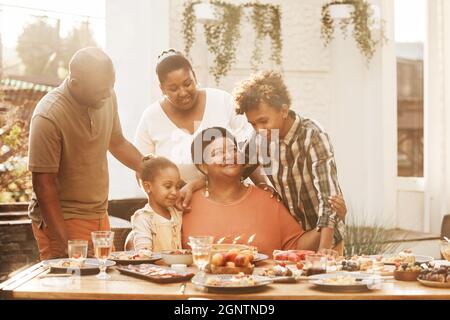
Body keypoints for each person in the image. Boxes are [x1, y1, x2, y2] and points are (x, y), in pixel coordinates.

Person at [28, 47, 143, 260]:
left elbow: (116, 142)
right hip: (63, 219)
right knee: (70, 289)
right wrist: (65, 243)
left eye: (111, 86)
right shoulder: (48, 116)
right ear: (74, 84)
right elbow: (44, 186)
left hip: (99, 214)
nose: (108, 94)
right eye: (101, 90)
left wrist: (150, 170)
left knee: (104, 285)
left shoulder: (106, 95)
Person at [134, 49, 270, 209]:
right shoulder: (151, 117)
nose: (183, 92)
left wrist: (265, 189)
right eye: (173, 88)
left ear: (195, 77)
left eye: (187, 83)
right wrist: (167, 205)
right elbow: (142, 172)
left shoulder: (222, 101)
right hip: (179, 209)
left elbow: (249, 152)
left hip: (232, 202)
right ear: (162, 88)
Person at [233, 70, 346, 254]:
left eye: (263, 121)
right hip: (294, 239)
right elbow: (233, 169)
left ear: (284, 110)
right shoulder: (258, 139)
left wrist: (323, 251)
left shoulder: (313, 136)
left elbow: (329, 200)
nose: (258, 129)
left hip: (326, 236)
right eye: (252, 124)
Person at [182, 127, 327, 257]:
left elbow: (297, 245)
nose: (230, 155)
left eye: (233, 149)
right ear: (203, 166)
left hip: (259, 284)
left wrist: (329, 218)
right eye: (218, 152)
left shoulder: (267, 200)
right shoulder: (186, 204)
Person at [127, 155, 183, 252]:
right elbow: (143, 254)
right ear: (148, 187)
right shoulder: (143, 218)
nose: (174, 192)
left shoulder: (176, 214)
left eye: (177, 187)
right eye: (168, 186)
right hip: (153, 267)